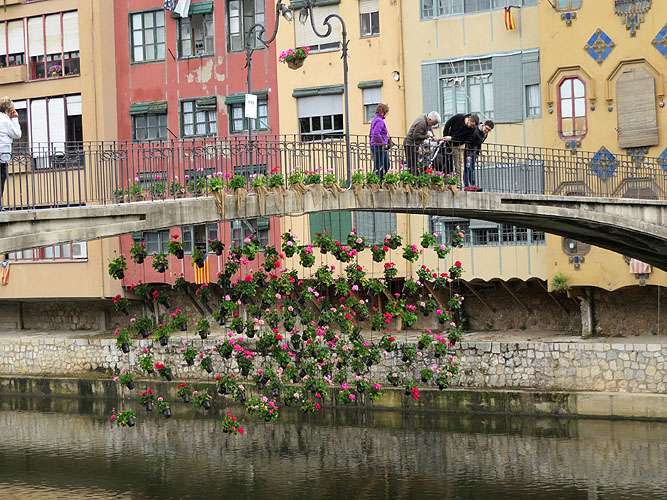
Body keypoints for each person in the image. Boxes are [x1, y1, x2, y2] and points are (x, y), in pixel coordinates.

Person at [441, 113, 479, 186]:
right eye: (471, 125)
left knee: (459, 165)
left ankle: (458, 184)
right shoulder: (459, 117)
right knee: (447, 162)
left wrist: (452, 138)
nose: (471, 127)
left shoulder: (472, 130)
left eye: (473, 126)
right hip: (449, 142)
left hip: (459, 145)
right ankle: (446, 182)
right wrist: (445, 136)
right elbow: (448, 124)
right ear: (469, 120)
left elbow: (464, 140)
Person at [0, 97, 21, 208]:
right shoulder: (6, 121)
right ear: (7, 110)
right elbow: (17, 134)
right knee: (1, 181)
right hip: (2, 156)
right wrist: (15, 119)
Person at [464, 120, 494, 191]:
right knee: (467, 168)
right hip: (468, 151)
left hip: (474, 152)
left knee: (472, 168)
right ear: (483, 125)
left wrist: (477, 153)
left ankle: (473, 184)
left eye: (489, 130)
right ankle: (466, 185)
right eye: (486, 128)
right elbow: (468, 141)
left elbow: (479, 144)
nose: (487, 130)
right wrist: (467, 154)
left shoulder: (485, 134)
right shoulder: (475, 130)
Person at [369, 103, 391, 181]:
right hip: (379, 146)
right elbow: (376, 133)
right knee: (381, 165)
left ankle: (377, 181)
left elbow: (371, 134)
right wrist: (383, 143)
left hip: (375, 145)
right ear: (383, 112)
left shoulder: (375, 119)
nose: (387, 114)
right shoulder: (380, 121)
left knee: (382, 164)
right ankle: (377, 182)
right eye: (387, 112)